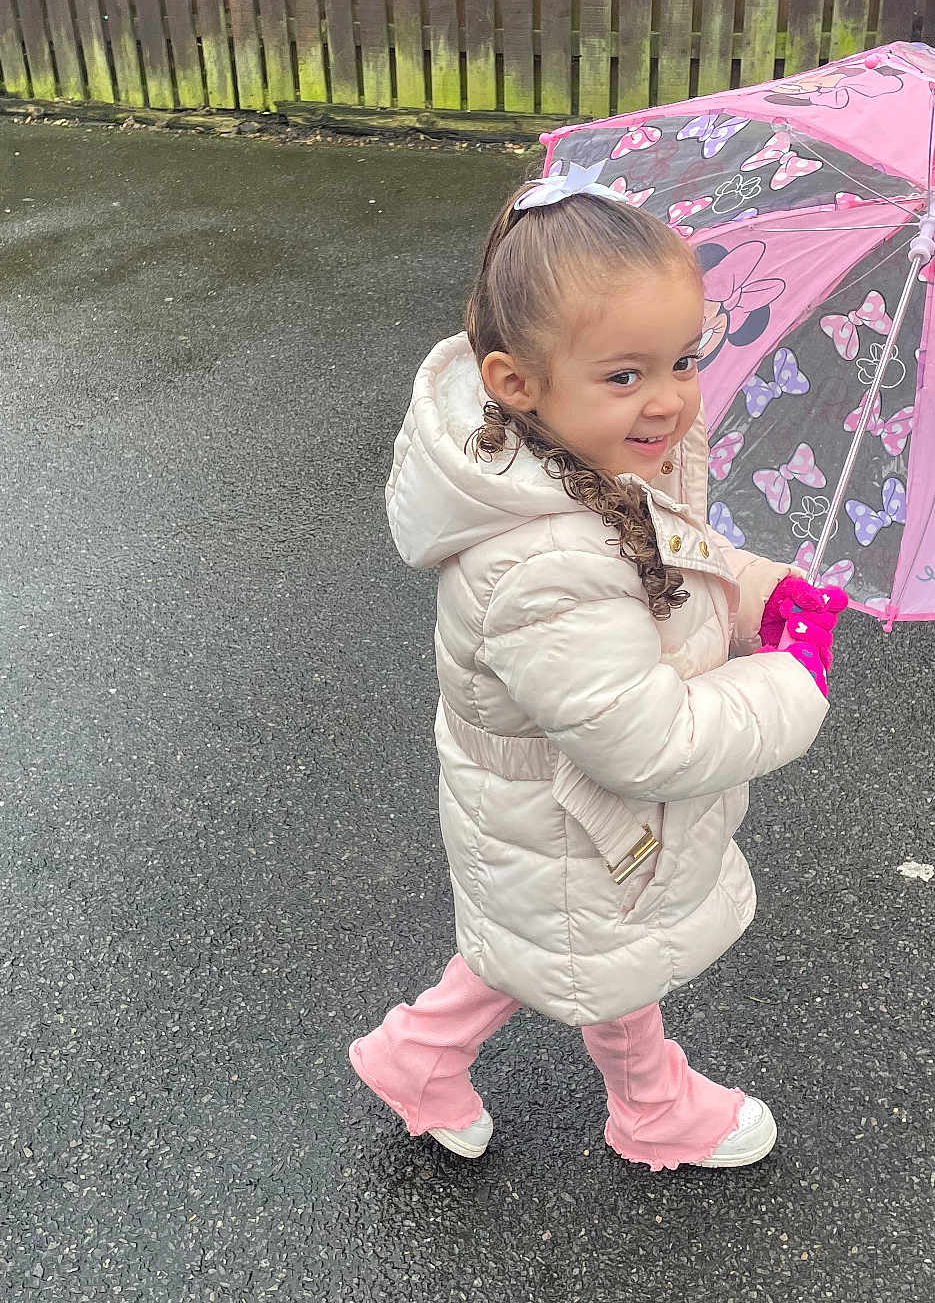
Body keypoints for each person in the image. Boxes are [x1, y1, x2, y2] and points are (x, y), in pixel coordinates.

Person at [349, 170, 847, 1171]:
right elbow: (646, 738)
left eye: (683, 360)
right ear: (516, 383)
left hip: (571, 816)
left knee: (565, 950)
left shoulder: (598, 466)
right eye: (626, 375)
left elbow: (678, 566)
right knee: (588, 952)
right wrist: (795, 675)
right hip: (576, 806)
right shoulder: (547, 564)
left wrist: (762, 592)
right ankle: (653, 1109)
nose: (666, 399)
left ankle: (419, 1055)